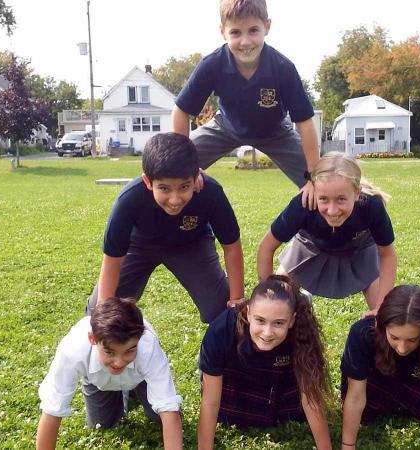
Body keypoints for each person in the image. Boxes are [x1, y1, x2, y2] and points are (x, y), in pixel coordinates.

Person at [171, 0, 320, 208]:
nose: (245, 41)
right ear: (223, 31)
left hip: (276, 132)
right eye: (235, 33)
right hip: (226, 127)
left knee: (325, 183)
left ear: (267, 27)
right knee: (170, 168)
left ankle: (350, 230)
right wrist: (187, 164)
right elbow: (181, 112)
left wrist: (313, 177)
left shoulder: (282, 68)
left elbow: (305, 123)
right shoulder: (212, 64)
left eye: (253, 31)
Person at [89, 132, 245, 323]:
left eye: (184, 187)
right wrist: (104, 313)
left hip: (191, 243)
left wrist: (236, 301)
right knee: (98, 311)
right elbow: (113, 259)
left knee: (222, 310)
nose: (175, 199)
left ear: (197, 176)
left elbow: (231, 246)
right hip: (140, 245)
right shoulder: (129, 199)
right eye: (164, 188)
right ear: (148, 181)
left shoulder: (210, 193)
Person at [197, 275, 332, 450]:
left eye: (278, 323)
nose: (267, 333)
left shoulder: (302, 332)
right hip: (237, 374)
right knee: (230, 413)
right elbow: (210, 402)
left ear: (292, 320)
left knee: (291, 412)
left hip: (279, 372)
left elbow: (310, 399)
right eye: (260, 320)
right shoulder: (221, 330)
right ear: (247, 312)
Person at [257, 152, 397, 312]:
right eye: (323, 199)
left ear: (357, 193)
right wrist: (266, 297)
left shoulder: (371, 207)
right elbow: (266, 247)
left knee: (385, 314)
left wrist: (380, 307)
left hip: (359, 249)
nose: (332, 210)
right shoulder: (303, 204)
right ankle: (300, 298)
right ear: (314, 191)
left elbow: (388, 255)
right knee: (279, 302)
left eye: (341, 199)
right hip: (311, 245)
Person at [36, 297, 183, 450]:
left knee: (159, 417)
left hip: (140, 378)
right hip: (98, 382)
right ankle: (126, 395)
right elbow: (52, 410)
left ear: (139, 339)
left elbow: (168, 409)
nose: (119, 362)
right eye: (109, 352)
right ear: (92, 339)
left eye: (130, 351)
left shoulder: (148, 346)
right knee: (102, 425)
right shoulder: (72, 350)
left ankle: (134, 391)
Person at [340, 285, 420, 450]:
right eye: (394, 337)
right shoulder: (363, 334)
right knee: (364, 418)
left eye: (412, 339)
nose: (402, 348)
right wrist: (348, 445)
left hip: (414, 380)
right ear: (383, 326)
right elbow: (355, 397)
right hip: (375, 381)